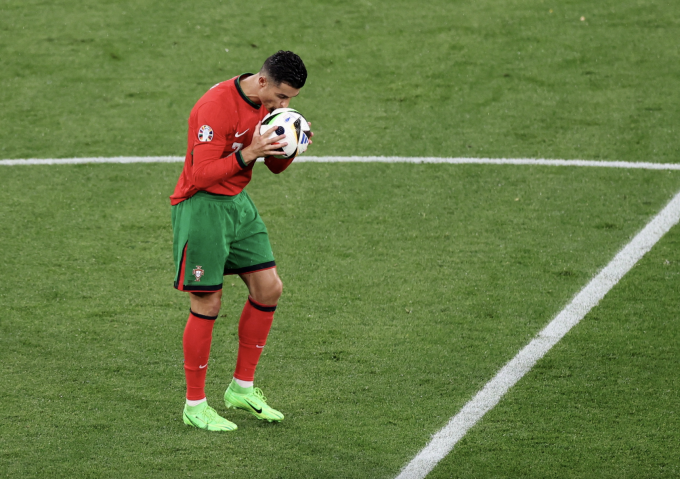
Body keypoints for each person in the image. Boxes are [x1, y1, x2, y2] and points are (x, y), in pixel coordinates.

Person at [169, 50, 311, 432]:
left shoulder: (270, 108)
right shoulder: (215, 107)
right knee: (207, 301)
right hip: (201, 209)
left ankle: (241, 388)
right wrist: (250, 152)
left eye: (290, 101)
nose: (283, 105)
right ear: (262, 81)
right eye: (281, 97)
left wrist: (292, 144)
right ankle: (195, 405)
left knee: (269, 288)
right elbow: (200, 175)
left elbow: (276, 166)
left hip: (237, 205)